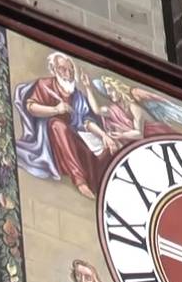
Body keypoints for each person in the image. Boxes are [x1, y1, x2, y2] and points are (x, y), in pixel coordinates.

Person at [14, 52, 116, 199]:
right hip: (53, 144)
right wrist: (55, 110)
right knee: (57, 125)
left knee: (109, 149)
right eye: (63, 69)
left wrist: (104, 135)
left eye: (70, 70)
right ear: (53, 70)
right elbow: (31, 107)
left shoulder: (77, 96)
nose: (68, 74)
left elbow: (86, 121)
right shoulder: (45, 85)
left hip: (75, 140)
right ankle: (79, 180)